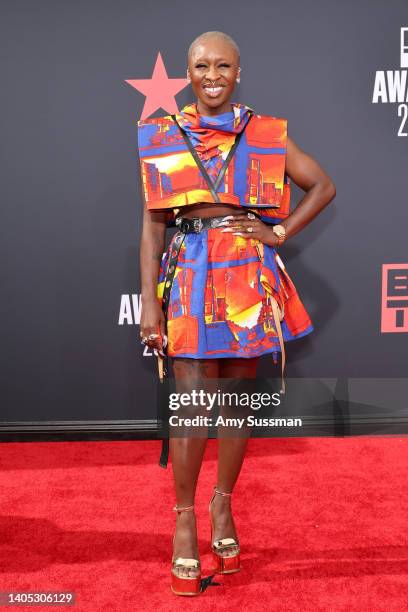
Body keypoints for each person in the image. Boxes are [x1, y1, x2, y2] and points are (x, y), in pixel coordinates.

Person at [137, 31, 336, 596]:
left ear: (239, 70)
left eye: (223, 65)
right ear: (188, 72)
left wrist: (278, 232)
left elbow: (321, 185)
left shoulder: (266, 133)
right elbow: (153, 226)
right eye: (202, 66)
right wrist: (149, 302)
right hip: (189, 278)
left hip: (247, 278)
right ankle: (184, 519)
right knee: (193, 407)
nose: (213, 75)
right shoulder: (163, 135)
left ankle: (223, 507)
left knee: (236, 405)